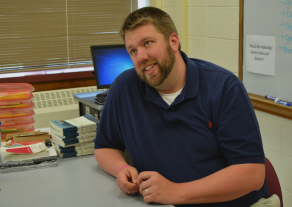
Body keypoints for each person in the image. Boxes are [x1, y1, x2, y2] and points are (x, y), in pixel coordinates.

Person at [94, 6, 273, 207]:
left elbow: (252, 173)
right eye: (133, 50)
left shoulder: (224, 88)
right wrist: (121, 169)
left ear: (173, 42)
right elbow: (104, 146)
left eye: (148, 43)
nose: (141, 57)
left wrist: (176, 192)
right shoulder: (124, 88)